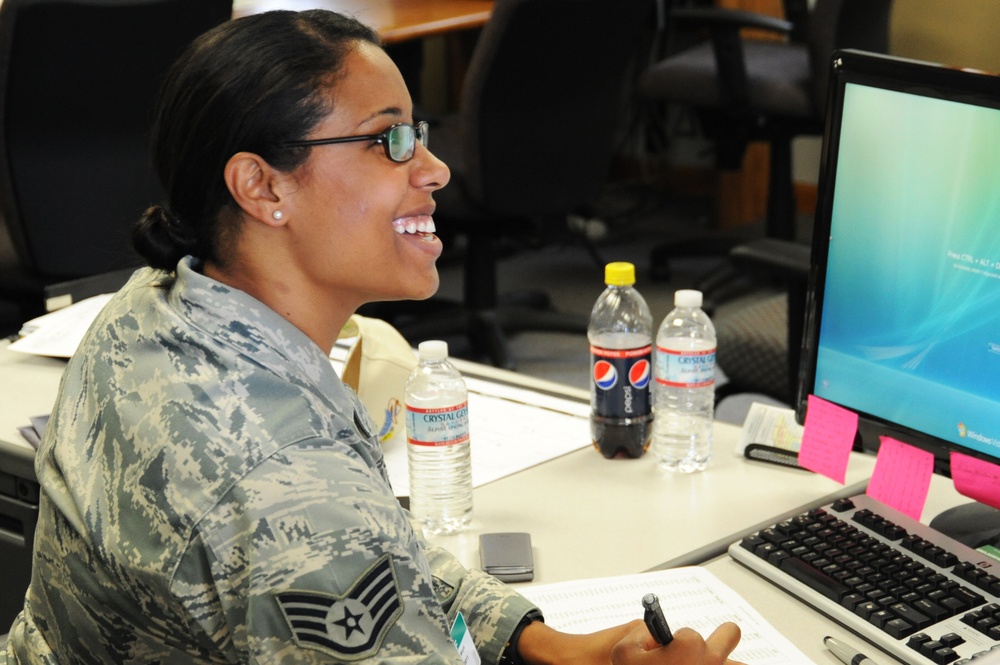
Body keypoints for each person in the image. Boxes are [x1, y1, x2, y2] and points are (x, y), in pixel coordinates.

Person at [3, 10, 745, 664]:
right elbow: (325, 530)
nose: (435, 167)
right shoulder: (284, 474)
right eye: (389, 139)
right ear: (263, 187)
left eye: (417, 133)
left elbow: (367, 559)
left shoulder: (150, 307)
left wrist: (535, 640)